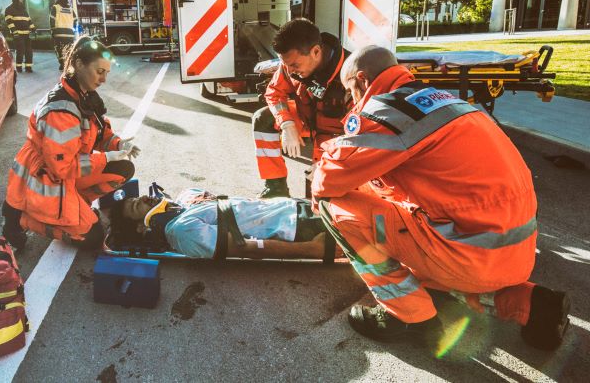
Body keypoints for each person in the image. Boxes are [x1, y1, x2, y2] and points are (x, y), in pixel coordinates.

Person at [311, 45, 570, 352]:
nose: (350, 99)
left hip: (467, 256)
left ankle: (407, 316)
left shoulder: (388, 111)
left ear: (363, 80)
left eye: (349, 90)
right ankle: (536, 305)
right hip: (515, 255)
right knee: (425, 276)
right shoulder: (446, 101)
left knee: (334, 206)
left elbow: (329, 180)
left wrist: (321, 177)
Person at [1, 36, 141, 250]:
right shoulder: (61, 110)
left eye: (107, 73)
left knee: (123, 168)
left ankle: (75, 203)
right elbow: (62, 167)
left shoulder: (83, 96)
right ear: (78, 64)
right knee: (94, 238)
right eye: (99, 71)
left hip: (65, 174)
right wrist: (105, 157)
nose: (103, 79)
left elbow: (100, 134)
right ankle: (20, 217)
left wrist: (119, 145)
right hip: (45, 180)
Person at [252, 18, 350, 198]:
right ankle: (275, 187)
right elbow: (274, 93)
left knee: (322, 195)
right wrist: (286, 124)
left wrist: (326, 163)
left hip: (337, 134)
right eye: (286, 65)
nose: (289, 71)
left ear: (316, 51)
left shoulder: (350, 74)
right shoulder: (290, 64)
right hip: (306, 119)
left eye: (295, 66)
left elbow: (358, 134)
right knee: (262, 118)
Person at [112, 188, 340, 261]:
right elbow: (243, 247)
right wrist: (311, 250)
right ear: (143, 228)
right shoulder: (181, 231)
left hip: (297, 205)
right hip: (298, 226)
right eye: (135, 207)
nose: (142, 199)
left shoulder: (184, 199)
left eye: (137, 197)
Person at [4, 0, 36, 73]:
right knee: (20, 51)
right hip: (18, 35)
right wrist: (14, 32)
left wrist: (33, 29)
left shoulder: (23, 9)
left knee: (29, 51)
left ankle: (28, 67)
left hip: (26, 34)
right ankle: (19, 68)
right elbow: (9, 22)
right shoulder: (9, 9)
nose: (22, 0)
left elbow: (29, 20)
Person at [50, 0, 75, 71]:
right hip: (70, 34)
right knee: (69, 49)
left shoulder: (55, 7)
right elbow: (75, 20)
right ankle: (68, 64)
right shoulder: (71, 9)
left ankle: (62, 65)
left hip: (59, 33)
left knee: (59, 49)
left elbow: (52, 20)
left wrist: (52, 30)